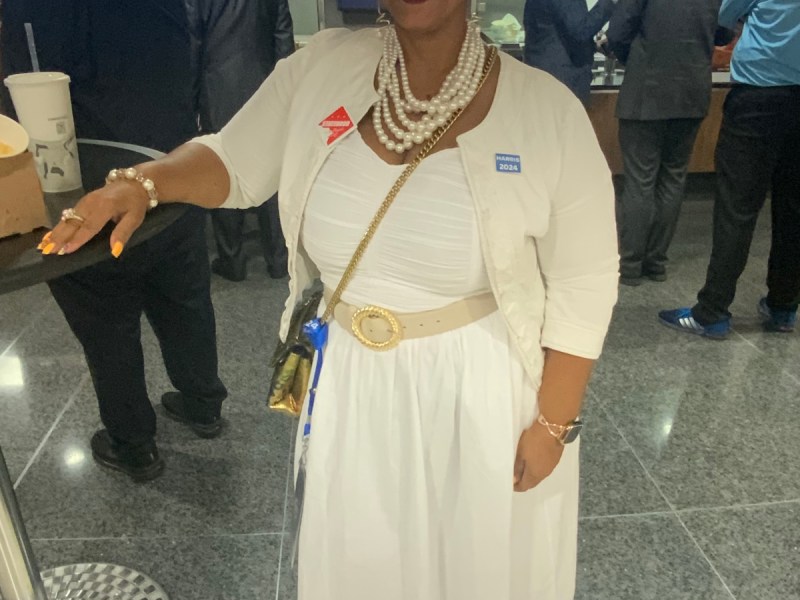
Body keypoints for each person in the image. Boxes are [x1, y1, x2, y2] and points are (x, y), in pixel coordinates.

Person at [41, 0, 619, 596]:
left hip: (477, 392)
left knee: (475, 569)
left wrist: (552, 424)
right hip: (351, 383)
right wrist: (144, 183)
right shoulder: (323, 69)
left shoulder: (546, 110)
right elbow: (234, 162)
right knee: (363, 566)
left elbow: (586, 278)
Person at [2, 0, 228, 481]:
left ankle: (133, 444)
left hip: (86, 192)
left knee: (106, 323)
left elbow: (18, 117)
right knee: (185, 298)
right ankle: (203, 402)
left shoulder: (26, 16)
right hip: (169, 171)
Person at [660, 0, 800, 338]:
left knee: (736, 208)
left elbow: (722, 15)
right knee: (794, 210)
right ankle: (783, 307)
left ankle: (712, 311)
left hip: (759, 96)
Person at [605, 0, 733, 286]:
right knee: (674, 178)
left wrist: (637, 58)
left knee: (640, 180)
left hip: (646, 90)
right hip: (692, 91)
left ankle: (630, 264)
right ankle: (656, 262)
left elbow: (618, 32)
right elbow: (725, 31)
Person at [199, 0, 294, 281]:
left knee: (223, 167)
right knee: (273, 171)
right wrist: (287, 88)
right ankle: (279, 259)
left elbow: (192, 43)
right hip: (265, 83)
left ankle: (232, 260)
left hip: (217, 89)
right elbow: (283, 37)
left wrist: (191, 97)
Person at [523, 0, 617, 104]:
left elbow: (551, 32)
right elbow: (581, 31)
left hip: (541, 71)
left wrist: (593, 46)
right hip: (563, 78)